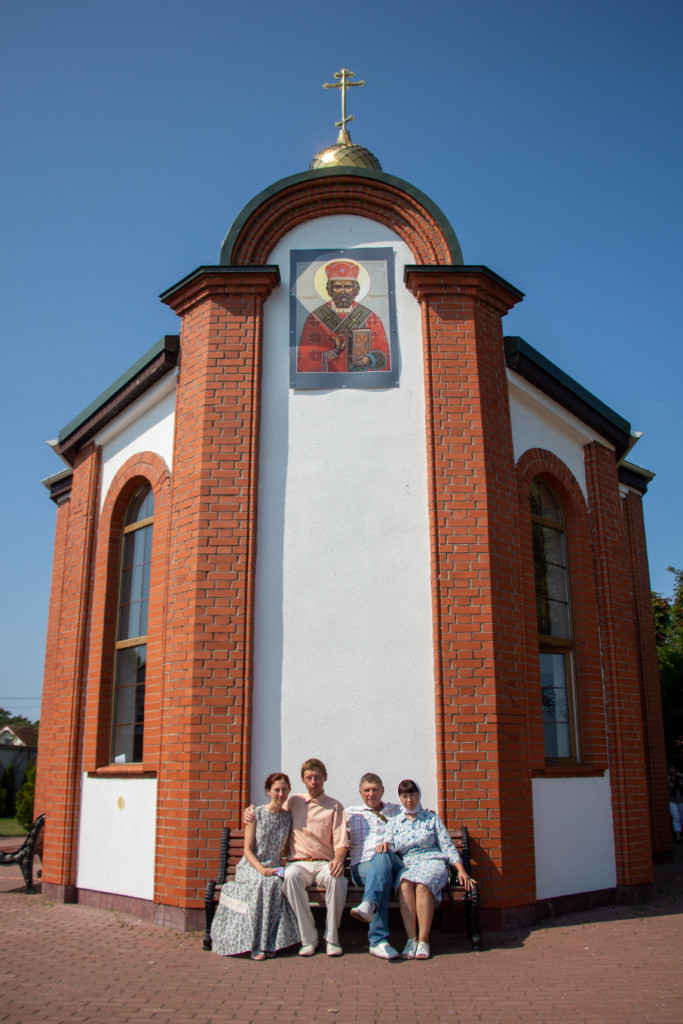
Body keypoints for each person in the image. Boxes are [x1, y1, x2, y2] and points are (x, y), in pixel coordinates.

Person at [245, 757, 349, 957]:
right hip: (299, 864)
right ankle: (309, 938)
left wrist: (338, 860)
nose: (314, 782)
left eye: (318, 777)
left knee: (337, 879)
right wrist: (250, 811)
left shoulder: (335, 806)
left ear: (325, 778)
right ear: (303, 780)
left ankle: (332, 938)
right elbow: (273, 812)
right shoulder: (294, 802)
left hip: (324, 864)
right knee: (290, 877)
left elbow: (341, 842)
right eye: (309, 778)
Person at [377, 778, 476, 961]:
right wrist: (385, 845)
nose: (409, 800)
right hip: (408, 865)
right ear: (400, 798)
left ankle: (424, 940)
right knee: (405, 884)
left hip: (432, 862)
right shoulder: (394, 823)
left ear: (419, 795)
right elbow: (389, 846)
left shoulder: (432, 818)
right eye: (404, 796)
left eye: (412, 795)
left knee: (422, 885)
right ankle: (411, 940)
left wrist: (461, 870)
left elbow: (447, 846)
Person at [210, 772, 299, 960]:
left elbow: (285, 849)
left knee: (274, 884)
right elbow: (247, 851)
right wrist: (260, 869)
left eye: (284, 790)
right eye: (276, 790)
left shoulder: (287, 818)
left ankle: (269, 943)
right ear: (268, 791)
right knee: (263, 883)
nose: (280, 794)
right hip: (251, 867)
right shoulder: (255, 814)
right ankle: (255, 945)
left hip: (273, 868)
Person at [345, 772, 404, 960]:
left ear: (382, 790)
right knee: (380, 876)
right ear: (360, 793)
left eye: (375, 790)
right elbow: (326, 825)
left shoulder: (396, 811)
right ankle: (379, 941)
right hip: (362, 867)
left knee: (383, 854)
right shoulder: (351, 814)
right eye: (367, 790)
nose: (371, 794)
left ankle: (370, 908)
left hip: (393, 863)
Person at [297, 259, 391, 374]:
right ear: (329, 290)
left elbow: (384, 356)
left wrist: (369, 359)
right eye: (337, 287)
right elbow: (304, 362)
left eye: (347, 287)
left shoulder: (370, 318)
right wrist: (335, 351)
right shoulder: (315, 319)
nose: (343, 292)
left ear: (355, 290)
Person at [668, 765, 683, 842]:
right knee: (676, 817)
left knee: (681, 817)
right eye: (670, 769)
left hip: (681, 800)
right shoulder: (668, 779)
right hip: (672, 800)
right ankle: (678, 835)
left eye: (673, 769)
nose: (672, 771)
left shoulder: (679, 778)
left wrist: (680, 775)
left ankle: (680, 832)